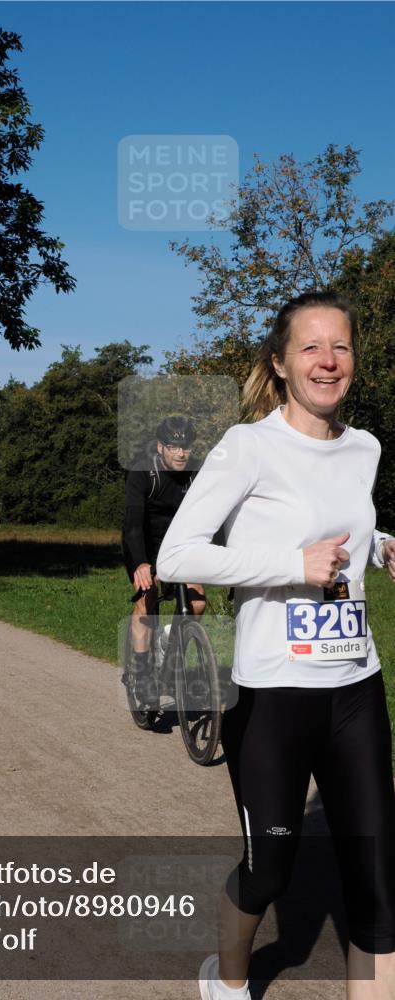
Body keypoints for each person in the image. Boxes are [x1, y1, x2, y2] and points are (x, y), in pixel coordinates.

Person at [156, 290, 395, 999]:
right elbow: (178, 555)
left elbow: (338, 522)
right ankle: (226, 981)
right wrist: (292, 568)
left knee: (378, 885)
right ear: (282, 363)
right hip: (273, 692)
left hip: (355, 685)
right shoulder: (248, 446)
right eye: (312, 348)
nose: (329, 360)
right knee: (270, 872)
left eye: (342, 347)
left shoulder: (366, 447)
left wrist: (380, 545)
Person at [121, 414, 207, 707]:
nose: (181, 453)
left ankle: (169, 647)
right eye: (173, 447)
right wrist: (140, 564)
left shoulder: (198, 473)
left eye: (186, 448)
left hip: (182, 545)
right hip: (146, 544)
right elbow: (132, 525)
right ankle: (142, 672)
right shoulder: (144, 473)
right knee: (149, 597)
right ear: (160, 447)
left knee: (197, 602)